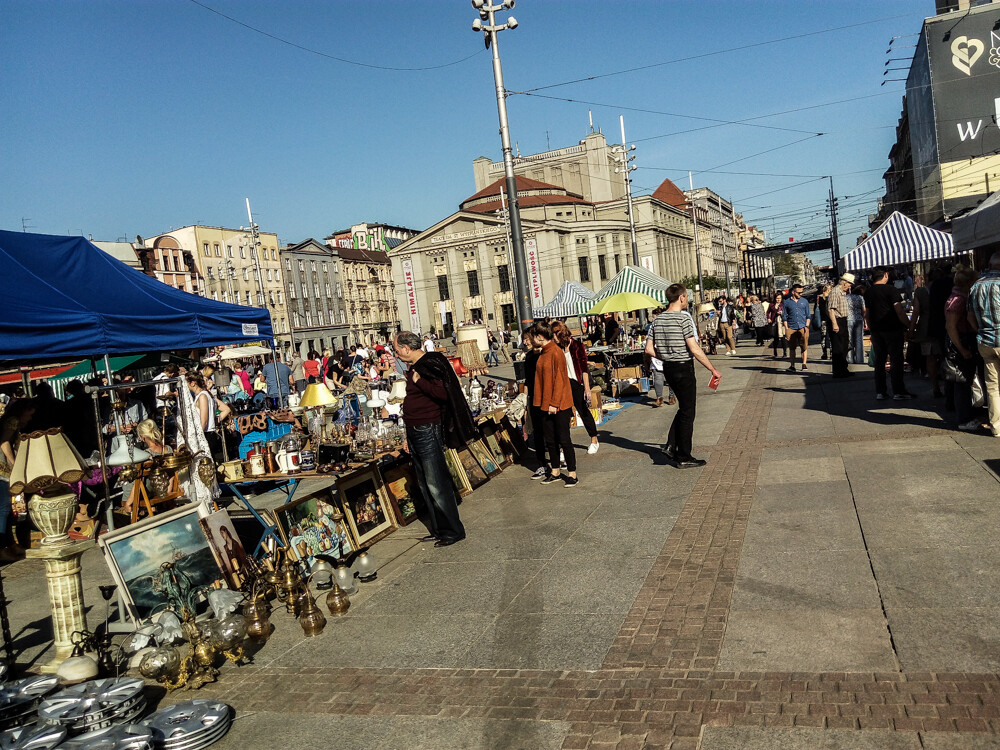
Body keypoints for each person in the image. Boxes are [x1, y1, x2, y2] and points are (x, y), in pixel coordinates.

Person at [393, 331, 475, 546]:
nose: (397, 355)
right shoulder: (417, 367)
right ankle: (439, 529)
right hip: (415, 430)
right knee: (424, 483)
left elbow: (443, 393)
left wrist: (420, 382)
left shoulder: (430, 362)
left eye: (397, 350)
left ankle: (452, 530)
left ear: (406, 348)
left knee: (435, 481)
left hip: (427, 429)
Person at [646, 284, 721, 468]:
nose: (687, 299)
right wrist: (712, 369)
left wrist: (666, 356)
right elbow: (694, 348)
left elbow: (648, 349)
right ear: (680, 297)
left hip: (668, 369)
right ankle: (684, 456)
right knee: (688, 412)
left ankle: (671, 445)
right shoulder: (683, 319)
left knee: (684, 409)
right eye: (686, 296)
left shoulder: (656, 321)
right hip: (683, 368)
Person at [530, 322, 578, 487]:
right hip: (545, 403)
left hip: (559, 404)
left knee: (564, 439)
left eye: (533, 336)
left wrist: (554, 403)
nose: (531, 340)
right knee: (550, 439)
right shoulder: (544, 352)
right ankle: (555, 471)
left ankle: (572, 473)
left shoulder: (555, 352)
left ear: (539, 337)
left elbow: (559, 380)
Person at [864, 266, 914, 400]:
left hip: (877, 331)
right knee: (896, 360)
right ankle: (898, 391)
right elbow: (899, 311)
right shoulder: (891, 290)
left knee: (879, 361)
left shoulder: (868, 292)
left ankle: (880, 391)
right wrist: (909, 325)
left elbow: (867, 313)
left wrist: (871, 329)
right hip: (892, 329)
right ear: (886, 275)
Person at [551, 320, 600, 455]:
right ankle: (563, 446)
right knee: (564, 416)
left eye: (556, 334)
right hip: (563, 384)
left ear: (561, 332)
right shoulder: (557, 348)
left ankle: (594, 439)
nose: (554, 337)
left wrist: (587, 389)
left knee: (583, 410)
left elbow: (584, 369)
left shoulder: (577, 346)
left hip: (576, 383)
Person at [944, 265, 981, 430]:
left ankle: (966, 415)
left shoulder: (959, 297)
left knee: (962, 380)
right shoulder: (959, 300)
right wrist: (962, 349)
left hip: (961, 340)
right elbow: (951, 326)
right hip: (960, 341)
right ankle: (964, 419)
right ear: (969, 283)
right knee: (962, 381)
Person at [969, 252, 1000, 437]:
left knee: (993, 386)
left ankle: (996, 427)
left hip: (985, 342)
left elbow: (970, 318)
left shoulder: (976, 286)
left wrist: (980, 330)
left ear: (989, 266)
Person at [0, 401, 34, 561]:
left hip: (4, 471)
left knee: (6, 510)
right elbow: (4, 442)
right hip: (2, 471)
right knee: (4, 509)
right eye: (29, 413)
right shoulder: (12, 421)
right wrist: (14, 463)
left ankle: (10, 544)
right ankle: (3, 547)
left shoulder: (12, 422)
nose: (30, 417)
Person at [909, 270, 942, 397]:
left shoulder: (921, 292)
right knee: (946, 356)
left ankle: (935, 387)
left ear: (927, 278)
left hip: (927, 328)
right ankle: (950, 387)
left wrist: (911, 330)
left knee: (930, 357)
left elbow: (916, 312)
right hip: (944, 326)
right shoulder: (947, 288)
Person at [523, 329, 550, 480]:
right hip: (533, 398)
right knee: (537, 433)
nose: (525, 342)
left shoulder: (545, 354)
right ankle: (542, 464)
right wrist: (524, 400)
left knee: (550, 430)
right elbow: (527, 380)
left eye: (526, 339)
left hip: (545, 397)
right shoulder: (528, 357)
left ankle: (558, 458)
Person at [646, 308, 677, 407]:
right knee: (669, 377)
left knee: (659, 377)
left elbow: (649, 342)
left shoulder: (654, 325)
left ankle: (661, 398)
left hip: (658, 353)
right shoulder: (670, 323)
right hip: (668, 353)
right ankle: (670, 397)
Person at [827, 274, 853, 378]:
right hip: (837, 321)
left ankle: (843, 369)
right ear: (845, 282)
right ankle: (838, 371)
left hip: (843, 320)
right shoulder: (835, 292)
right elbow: (831, 309)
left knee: (844, 346)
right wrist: (834, 324)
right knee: (838, 348)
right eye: (850, 284)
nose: (850, 286)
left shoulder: (842, 292)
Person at [782, 284, 811, 373]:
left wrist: (807, 326)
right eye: (799, 292)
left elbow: (808, 315)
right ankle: (792, 365)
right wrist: (787, 328)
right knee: (792, 348)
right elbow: (784, 316)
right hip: (791, 327)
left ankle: (804, 364)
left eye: (802, 292)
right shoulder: (787, 302)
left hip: (803, 327)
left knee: (804, 346)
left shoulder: (804, 301)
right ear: (793, 292)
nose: (801, 294)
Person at [848, 284, 868, 366]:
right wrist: (865, 321)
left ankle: (850, 359)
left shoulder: (847, 297)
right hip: (859, 319)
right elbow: (864, 311)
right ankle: (859, 359)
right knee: (859, 340)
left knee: (850, 340)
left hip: (848, 319)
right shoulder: (861, 298)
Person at [767, 291, 787, 360]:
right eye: (777, 298)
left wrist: (782, 313)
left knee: (783, 338)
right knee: (775, 338)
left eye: (780, 298)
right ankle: (775, 351)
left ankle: (785, 352)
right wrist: (769, 318)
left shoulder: (783, 304)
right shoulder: (771, 305)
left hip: (782, 323)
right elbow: (767, 312)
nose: (778, 300)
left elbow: (787, 312)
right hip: (774, 323)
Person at [815, 284, 831, 360]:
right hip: (830, 320)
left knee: (823, 337)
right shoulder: (830, 298)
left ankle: (824, 353)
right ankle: (831, 353)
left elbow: (816, 309)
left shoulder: (819, 298)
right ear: (828, 290)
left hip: (822, 320)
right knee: (831, 337)